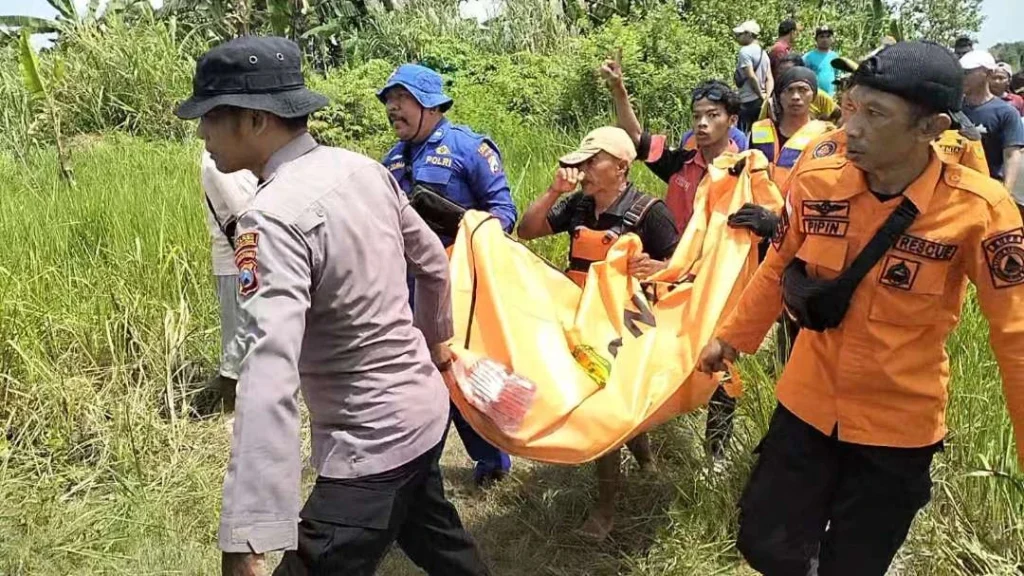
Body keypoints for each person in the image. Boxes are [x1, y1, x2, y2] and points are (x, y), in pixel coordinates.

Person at [698, 41, 1024, 576]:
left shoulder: (979, 210)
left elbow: (1016, 337)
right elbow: (779, 261)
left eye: (875, 114)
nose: (851, 127)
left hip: (897, 426)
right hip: (808, 401)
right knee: (763, 542)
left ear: (930, 127)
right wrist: (731, 336)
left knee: (855, 563)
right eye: (851, 106)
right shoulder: (819, 174)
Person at [175, 36, 490, 576]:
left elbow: (269, 372)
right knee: (439, 543)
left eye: (209, 115)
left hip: (371, 447)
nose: (201, 131)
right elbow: (434, 266)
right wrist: (435, 348)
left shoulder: (270, 219)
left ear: (255, 120)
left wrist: (248, 532)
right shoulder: (364, 169)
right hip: (422, 411)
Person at [517, 127, 678, 541]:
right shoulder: (577, 207)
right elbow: (527, 231)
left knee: (601, 411)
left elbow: (683, 266)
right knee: (617, 405)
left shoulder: (649, 212)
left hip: (627, 326)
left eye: (592, 162)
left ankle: (604, 512)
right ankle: (645, 462)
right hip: (580, 323)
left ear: (621, 166)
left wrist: (660, 269)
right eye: (582, 163)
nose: (582, 170)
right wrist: (553, 192)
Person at [378, 63, 517, 487]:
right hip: (408, 289)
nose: (393, 109)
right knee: (418, 376)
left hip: (462, 288)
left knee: (465, 375)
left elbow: (504, 216)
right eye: (389, 101)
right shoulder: (390, 161)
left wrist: (462, 226)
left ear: (429, 104)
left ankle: (493, 461)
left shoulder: (468, 149)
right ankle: (421, 467)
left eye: (401, 100)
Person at [600, 59, 745, 462]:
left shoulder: (745, 172)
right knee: (658, 353)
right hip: (668, 280)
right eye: (697, 116)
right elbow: (637, 138)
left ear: (732, 120)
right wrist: (619, 90)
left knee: (719, 363)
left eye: (712, 116)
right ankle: (644, 434)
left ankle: (716, 454)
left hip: (717, 286)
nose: (702, 124)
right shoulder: (682, 162)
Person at [200, 151, 257, 412]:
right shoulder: (217, 159)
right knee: (237, 341)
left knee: (247, 335)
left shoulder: (233, 154)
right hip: (235, 264)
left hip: (245, 260)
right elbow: (248, 209)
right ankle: (230, 409)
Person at [749, 66, 834, 186]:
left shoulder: (825, 135)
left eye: (803, 90)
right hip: (762, 201)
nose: (795, 97)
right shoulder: (759, 131)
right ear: (779, 96)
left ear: (813, 96)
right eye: (789, 90)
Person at [961, 50, 1024, 192]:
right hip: (957, 186)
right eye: (962, 72)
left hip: (989, 188)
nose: (963, 77)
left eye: (968, 72)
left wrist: (1005, 194)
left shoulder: (1006, 113)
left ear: (988, 74)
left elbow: (1012, 154)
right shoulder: (954, 109)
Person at [760, 53, 840, 123]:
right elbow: (760, 132)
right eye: (780, 74)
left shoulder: (820, 97)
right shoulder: (771, 103)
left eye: (789, 72)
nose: (785, 77)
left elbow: (836, 117)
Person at [733, 20, 774, 134]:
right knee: (759, 134)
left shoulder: (744, 51)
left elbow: (751, 76)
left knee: (743, 133)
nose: (738, 37)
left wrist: (760, 95)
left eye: (740, 34)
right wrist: (767, 97)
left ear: (749, 34)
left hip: (748, 100)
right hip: (761, 102)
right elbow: (769, 77)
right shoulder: (763, 53)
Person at [804, 25, 840, 96]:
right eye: (822, 36)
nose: (825, 39)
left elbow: (837, 76)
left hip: (831, 97)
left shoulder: (835, 56)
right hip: (814, 97)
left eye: (828, 36)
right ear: (816, 39)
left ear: (832, 39)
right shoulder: (808, 57)